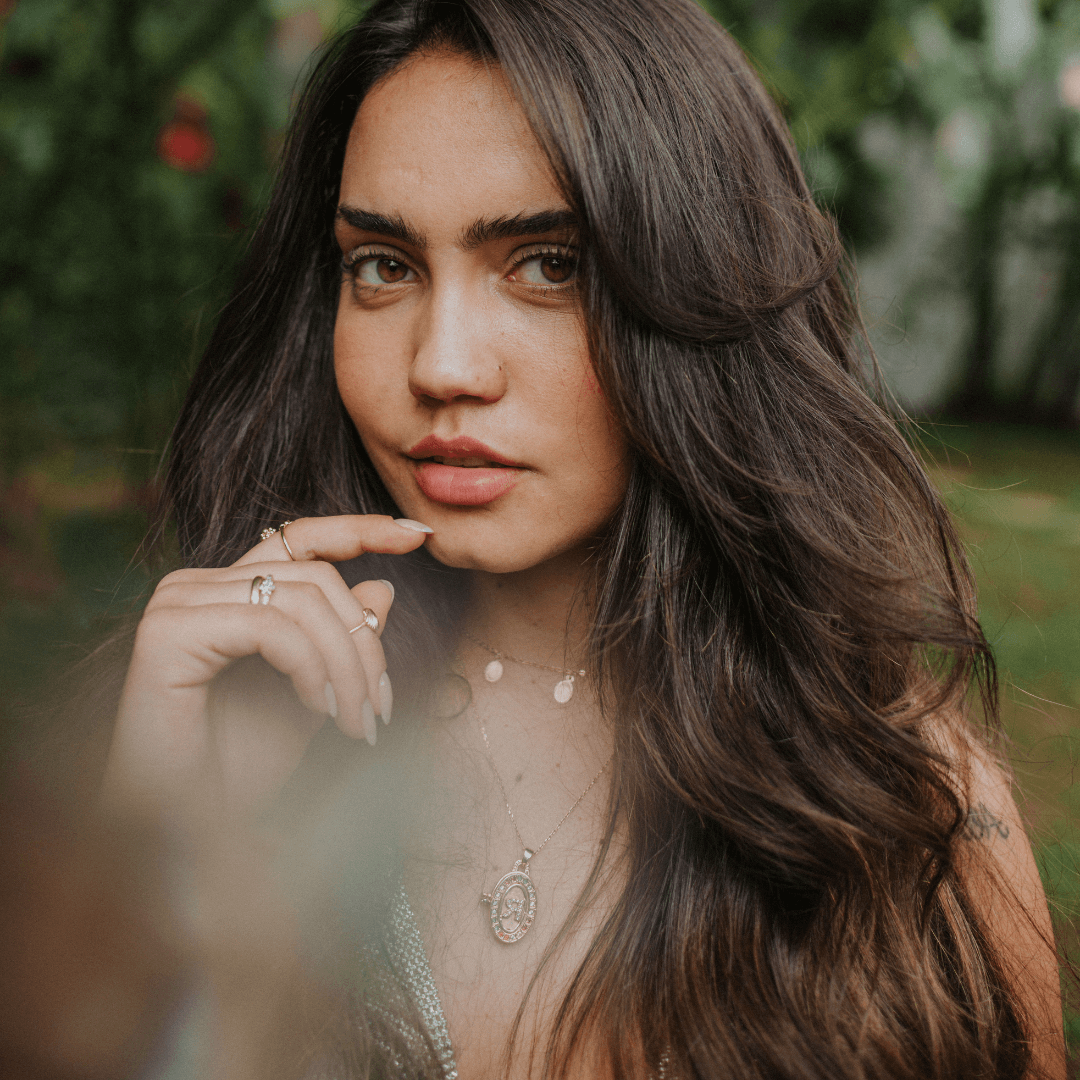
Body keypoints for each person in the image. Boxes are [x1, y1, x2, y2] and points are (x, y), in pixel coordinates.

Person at [100, 0, 1066, 1077]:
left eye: (547, 265)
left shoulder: (906, 804)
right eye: (383, 265)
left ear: (693, 289)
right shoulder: (257, 738)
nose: (444, 365)